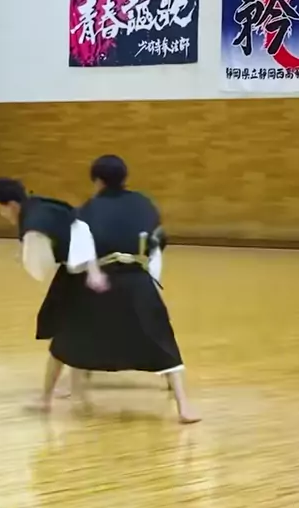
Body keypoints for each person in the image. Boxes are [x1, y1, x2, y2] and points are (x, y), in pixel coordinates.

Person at [49, 155, 201, 424]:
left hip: (103, 281)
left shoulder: (89, 209)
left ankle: (52, 394)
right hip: (137, 280)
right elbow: (157, 240)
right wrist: (151, 275)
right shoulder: (144, 203)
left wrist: (92, 273)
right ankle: (184, 407)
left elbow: (81, 248)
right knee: (161, 338)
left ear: (97, 180)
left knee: (70, 336)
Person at [0, 177, 108, 408]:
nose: (1, 215)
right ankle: (72, 388)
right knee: (73, 328)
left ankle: (46, 399)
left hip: (83, 270)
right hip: (85, 266)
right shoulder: (39, 205)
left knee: (64, 329)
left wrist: (28, 254)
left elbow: (40, 268)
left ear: (11, 204)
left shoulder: (33, 223)